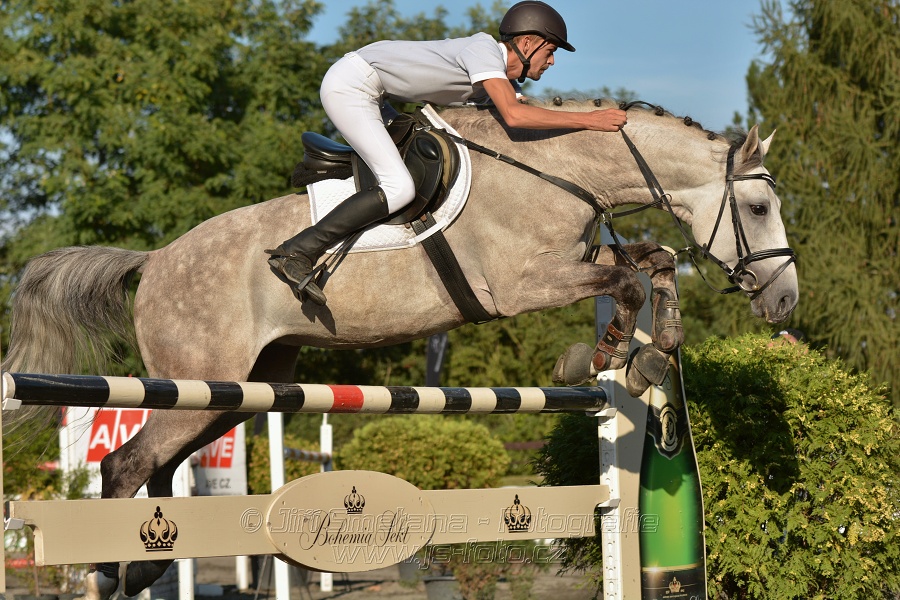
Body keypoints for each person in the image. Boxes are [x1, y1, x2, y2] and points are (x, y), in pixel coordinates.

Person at [266, 1, 628, 305]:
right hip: (353, 84)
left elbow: (519, 113)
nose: (551, 63)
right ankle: (296, 251)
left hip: (381, 97)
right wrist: (590, 120)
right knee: (399, 188)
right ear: (529, 43)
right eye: (550, 52)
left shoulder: (498, 82)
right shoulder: (484, 51)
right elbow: (516, 117)